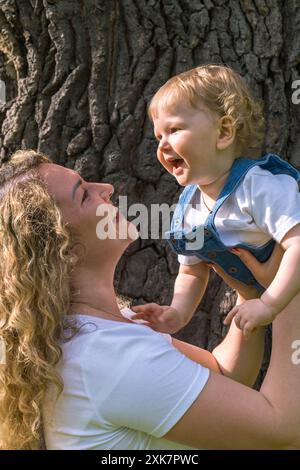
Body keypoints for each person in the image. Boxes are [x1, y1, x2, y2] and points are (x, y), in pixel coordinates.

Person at [0, 150, 300, 450]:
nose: (106, 188)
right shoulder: (106, 356)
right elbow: (282, 430)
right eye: (83, 195)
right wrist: (288, 290)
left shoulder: (103, 329)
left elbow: (224, 375)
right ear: (63, 251)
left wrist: (250, 294)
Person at [132, 64, 300, 337]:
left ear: (223, 133)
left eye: (174, 130)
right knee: (239, 347)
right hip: (256, 299)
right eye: (158, 136)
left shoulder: (257, 186)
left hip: (289, 293)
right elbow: (192, 273)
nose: (162, 145)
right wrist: (177, 314)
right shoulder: (190, 210)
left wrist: (270, 303)